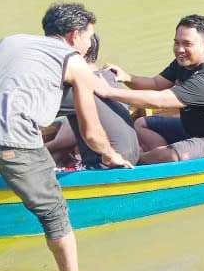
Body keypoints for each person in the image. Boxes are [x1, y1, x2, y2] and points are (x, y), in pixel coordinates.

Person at [0, 2, 132, 271]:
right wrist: (111, 155)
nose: (89, 43)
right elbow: (92, 131)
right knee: (53, 211)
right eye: (88, 36)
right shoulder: (75, 62)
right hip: (10, 133)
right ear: (74, 35)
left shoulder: (11, 41)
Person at [102, 15, 204, 163]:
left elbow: (160, 100)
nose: (179, 49)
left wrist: (109, 91)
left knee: (173, 155)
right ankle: (160, 159)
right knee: (141, 124)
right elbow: (156, 84)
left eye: (187, 44)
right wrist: (127, 77)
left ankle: (137, 161)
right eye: (176, 43)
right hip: (192, 131)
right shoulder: (185, 62)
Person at [46, 33, 141, 169]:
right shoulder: (111, 76)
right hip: (131, 157)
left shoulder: (77, 86)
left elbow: (35, 107)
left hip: (107, 165)